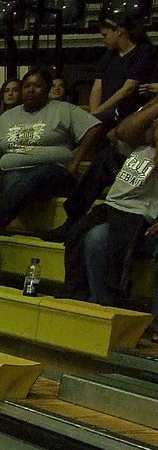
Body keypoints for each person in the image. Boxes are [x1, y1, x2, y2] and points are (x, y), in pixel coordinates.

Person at [0, 66, 104, 235]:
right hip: (13, 173)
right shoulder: (7, 117)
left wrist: (76, 160)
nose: (31, 90)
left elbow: (95, 127)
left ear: (47, 89)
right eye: (26, 86)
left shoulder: (63, 109)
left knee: (34, 177)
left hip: (53, 172)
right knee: (14, 183)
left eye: (37, 86)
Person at [63, 96, 158, 308]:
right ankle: (81, 295)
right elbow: (116, 133)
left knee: (113, 250)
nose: (152, 123)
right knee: (75, 235)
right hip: (113, 206)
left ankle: (113, 303)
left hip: (138, 215)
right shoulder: (141, 147)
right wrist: (152, 108)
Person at [88, 15, 153, 127]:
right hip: (105, 112)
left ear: (118, 31)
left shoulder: (143, 52)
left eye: (105, 35)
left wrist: (98, 112)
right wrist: (93, 113)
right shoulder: (108, 57)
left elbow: (128, 89)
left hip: (127, 111)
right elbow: (98, 87)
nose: (104, 40)